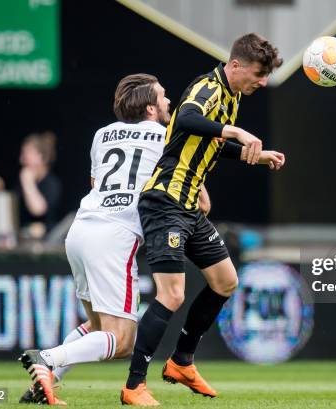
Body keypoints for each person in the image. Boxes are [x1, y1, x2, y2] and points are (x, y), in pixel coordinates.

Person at [121, 33, 285, 406]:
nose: (262, 82)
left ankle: (181, 362)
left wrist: (252, 155)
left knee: (226, 281)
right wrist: (237, 132)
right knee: (172, 294)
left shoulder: (232, 97)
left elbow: (206, 142)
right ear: (235, 66)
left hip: (188, 207)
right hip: (164, 201)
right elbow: (189, 119)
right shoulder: (208, 87)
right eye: (258, 74)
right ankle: (134, 385)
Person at [19, 73, 185, 405]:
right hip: (115, 236)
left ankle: (44, 385)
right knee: (122, 341)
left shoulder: (102, 134)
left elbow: (97, 183)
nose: (170, 102)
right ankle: (47, 360)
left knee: (97, 326)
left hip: (80, 231)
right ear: (151, 108)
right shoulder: (168, 135)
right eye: (164, 96)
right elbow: (185, 188)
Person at [17, 131, 62, 237]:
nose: (21, 160)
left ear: (42, 157)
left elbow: (38, 210)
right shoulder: (21, 184)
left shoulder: (52, 184)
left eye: (26, 154)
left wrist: (27, 182)